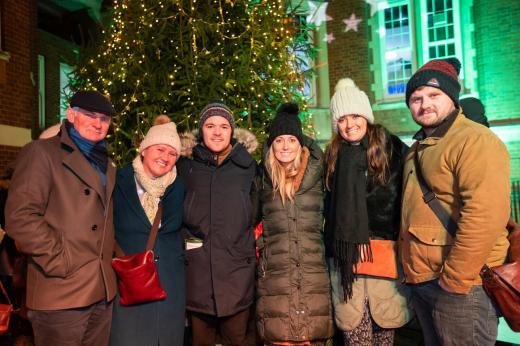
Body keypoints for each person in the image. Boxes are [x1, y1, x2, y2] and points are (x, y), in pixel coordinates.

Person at [400, 58, 510, 345]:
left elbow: (485, 216)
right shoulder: (418, 149)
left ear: (451, 97)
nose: (424, 104)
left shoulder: (474, 140)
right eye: (416, 98)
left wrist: (455, 279)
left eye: (434, 95)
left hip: (461, 287)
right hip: (425, 281)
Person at [5, 90, 118, 346]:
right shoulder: (42, 152)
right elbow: (20, 216)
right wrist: (59, 259)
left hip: (101, 291)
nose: (98, 124)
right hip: (61, 291)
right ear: (71, 114)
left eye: (105, 119)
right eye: (90, 115)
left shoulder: (107, 164)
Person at [324, 79, 412, 346]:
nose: (350, 124)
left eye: (355, 115)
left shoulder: (391, 147)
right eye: (342, 119)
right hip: (346, 265)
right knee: (355, 337)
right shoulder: (332, 154)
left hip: (383, 260)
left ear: (366, 115)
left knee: (384, 334)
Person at [251, 103, 333, 345]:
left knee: (312, 335)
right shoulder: (263, 178)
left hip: (313, 274)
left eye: (291, 140)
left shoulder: (319, 174)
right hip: (275, 277)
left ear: (301, 144)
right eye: (279, 140)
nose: (285, 146)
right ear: (271, 145)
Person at [177, 101, 257, 346]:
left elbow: (256, 212)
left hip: (237, 274)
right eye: (210, 125)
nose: (217, 132)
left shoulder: (247, 167)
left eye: (224, 126)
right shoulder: (186, 166)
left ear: (232, 131)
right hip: (198, 275)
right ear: (201, 130)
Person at [109, 115, 185, 345]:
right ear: (144, 149)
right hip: (129, 287)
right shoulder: (117, 180)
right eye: (160, 149)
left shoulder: (179, 186)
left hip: (170, 290)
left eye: (173, 154)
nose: (166, 158)